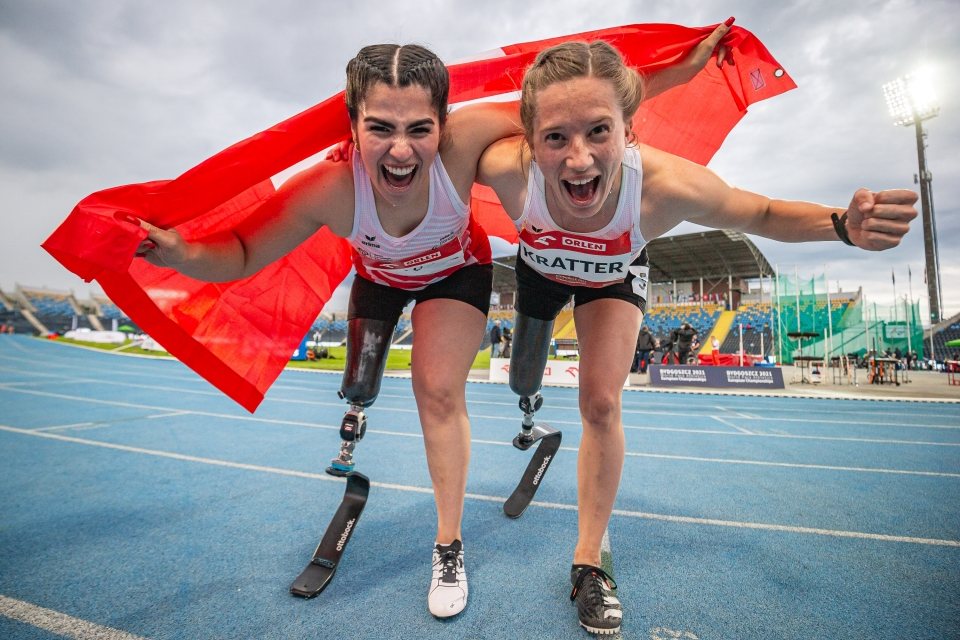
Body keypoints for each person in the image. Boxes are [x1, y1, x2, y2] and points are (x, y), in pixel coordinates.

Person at [476, 40, 917, 635]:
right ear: (530, 139)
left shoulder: (664, 186)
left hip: (612, 279)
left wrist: (842, 225)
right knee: (521, 377)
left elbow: (759, 212)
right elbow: (424, 145)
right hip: (540, 273)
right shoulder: (506, 165)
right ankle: (529, 406)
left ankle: (588, 563)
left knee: (601, 403)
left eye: (599, 132)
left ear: (629, 130)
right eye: (556, 137)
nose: (579, 160)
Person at [134, 43, 525, 619]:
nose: (399, 150)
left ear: (444, 123)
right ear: (351, 124)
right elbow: (242, 253)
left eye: (420, 128)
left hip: (457, 270)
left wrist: (679, 69)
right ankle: (356, 413)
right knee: (358, 387)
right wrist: (181, 254)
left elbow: (569, 106)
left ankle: (448, 544)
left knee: (437, 392)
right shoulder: (329, 188)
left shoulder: (465, 143)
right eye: (379, 128)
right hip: (380, 278)